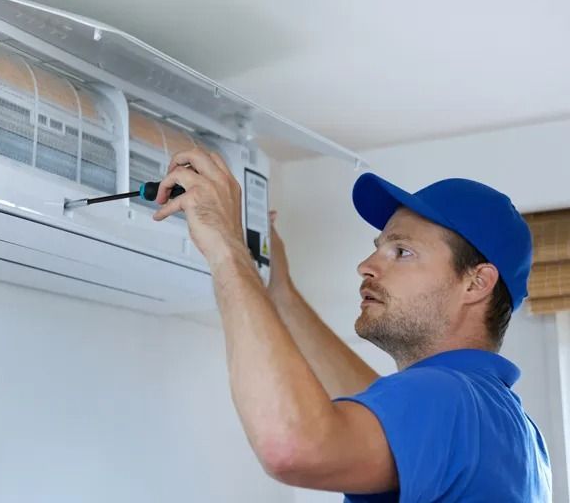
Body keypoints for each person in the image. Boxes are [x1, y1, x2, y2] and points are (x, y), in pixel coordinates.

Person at [153, 146, 552, 502]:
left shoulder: (447, 398)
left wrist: (227, 248)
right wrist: (281, 295)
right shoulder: (506, 424)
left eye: (402, 251)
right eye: (378, 248)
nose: (366, 265)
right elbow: (378, 404)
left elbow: (291, 446)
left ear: (476, 282)